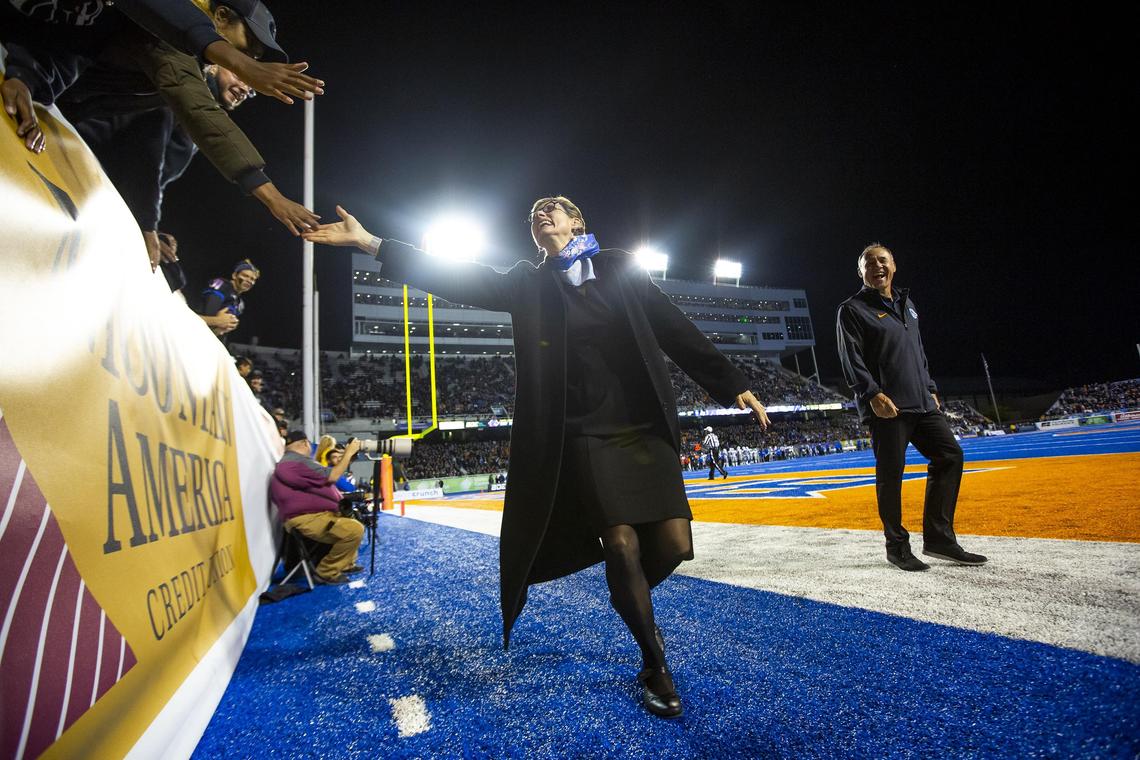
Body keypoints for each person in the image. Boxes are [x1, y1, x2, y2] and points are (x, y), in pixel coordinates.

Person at [303, 197, 771, 719]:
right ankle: (653, 661)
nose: (542, 214)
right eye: (535, 213)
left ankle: (628, 596)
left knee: (674, 545)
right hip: (581, 431)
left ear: (578, 222)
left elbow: (672, 326)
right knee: (619, 542)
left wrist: (734, 386)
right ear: (533, 235)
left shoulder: (618, 267)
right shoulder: (527, 283)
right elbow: (454, 276)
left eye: (554, 208)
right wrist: (371, 242)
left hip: (641, 426)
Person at [836, 243, 987, 572]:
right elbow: (851, 359)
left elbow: (918, 351)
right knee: (891, 475)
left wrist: (931, 387)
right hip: (887, 406)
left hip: (921, 401)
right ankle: (897, 546)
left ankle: (939, 539)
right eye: (869, 263)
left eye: (883, 260)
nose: (877, 266)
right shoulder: (852, 309)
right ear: (860, 272)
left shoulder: (909, 305)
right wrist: (872, 394)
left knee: (950, 455)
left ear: (893, 266)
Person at [269, 431, 364, 584]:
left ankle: (345, 564)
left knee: (351, 522)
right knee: (354, 530)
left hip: (313, 515)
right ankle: (326, 572)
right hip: (306, 518)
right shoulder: (296, 462)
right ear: (306, 443)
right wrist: (349, 453)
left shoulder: (293, 463)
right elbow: (333, 476)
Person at [197, 259, 258, 337]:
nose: (249, 281)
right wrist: (216, 321)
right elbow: (201, 316)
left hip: (211, 338)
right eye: (245, 276)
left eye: (252, 279)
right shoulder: (221, 285)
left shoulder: (240, 303)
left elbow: (219, 330)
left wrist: (223, 327)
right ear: (234, 275)